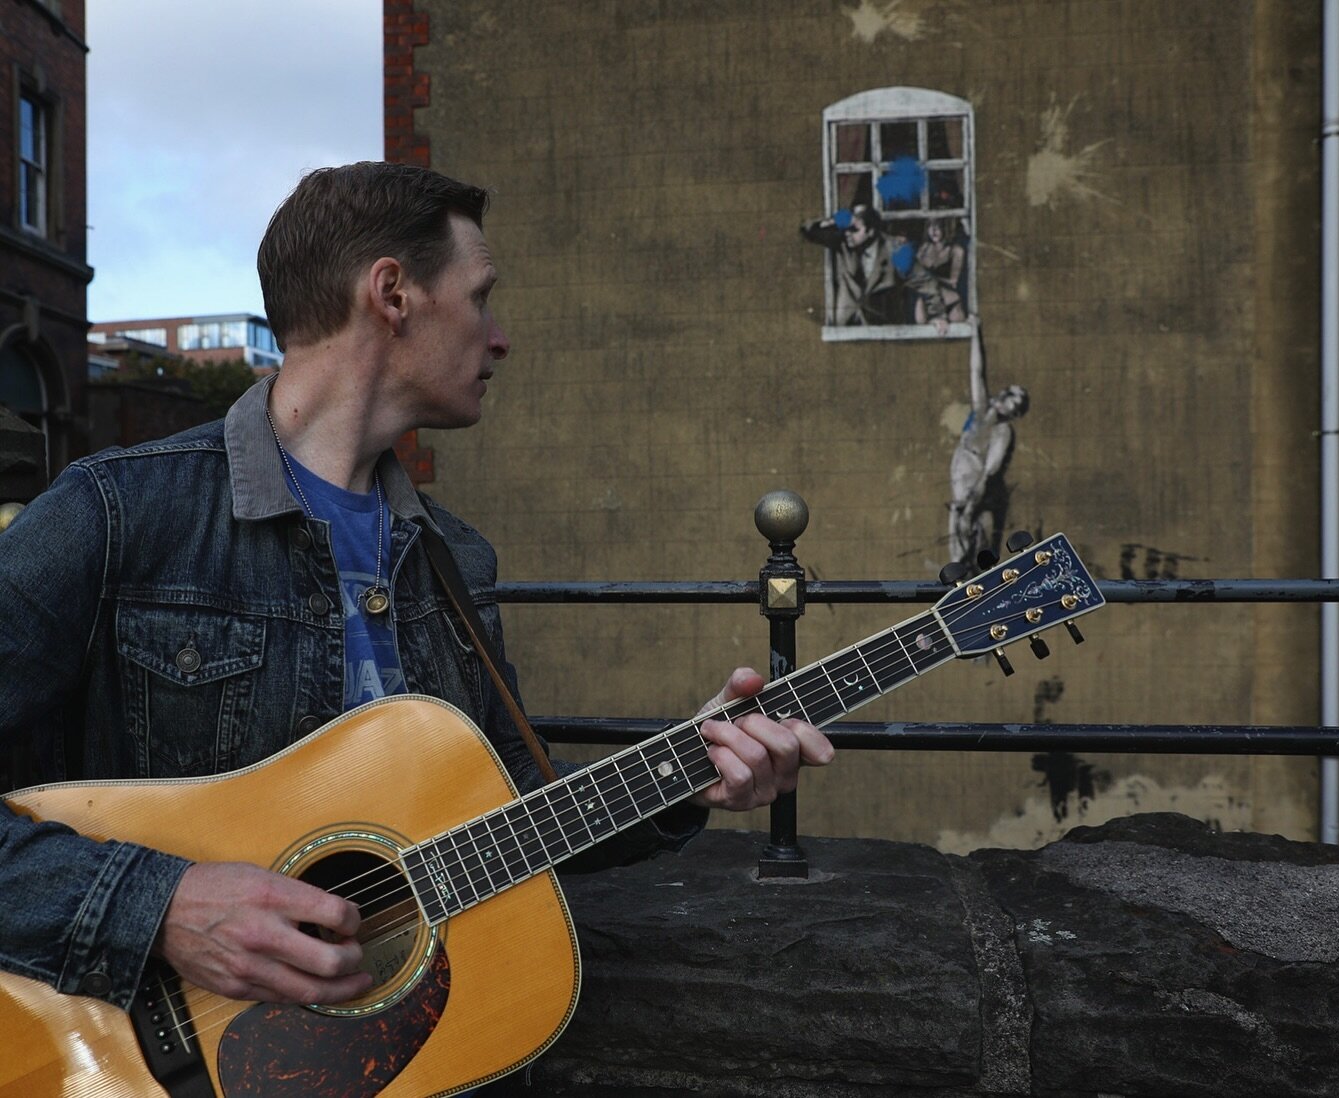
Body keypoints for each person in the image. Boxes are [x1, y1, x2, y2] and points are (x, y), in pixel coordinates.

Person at [0, 163, 833, 1075]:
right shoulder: (118, 515)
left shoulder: (456, 562)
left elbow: (514, 827)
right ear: (393, 293)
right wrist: (156, 906)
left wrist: (690, 772)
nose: (501, 337)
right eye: (481, 296)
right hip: (114, 1058)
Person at [947, 316, 1029, 574]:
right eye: (1008, 396)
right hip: (961, 498)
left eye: (1012, 405)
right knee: (956, 558)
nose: (1005, 402)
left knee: (969, 561)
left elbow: (989, 472)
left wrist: (972, 505)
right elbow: (977, 371)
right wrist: (975, 332)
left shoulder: (1002, 430)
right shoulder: (982, 410)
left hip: (975, 499)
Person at [800, 203, 913, 326]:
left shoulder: (893, 247)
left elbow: (922, 280)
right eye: (846, 229)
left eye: (854, 229)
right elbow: (808, 230)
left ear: (871, 231)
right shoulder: (843, 244)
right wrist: (833, 220)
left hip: (883, 327)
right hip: (847, 326)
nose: (847, 233)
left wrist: (935, 316)